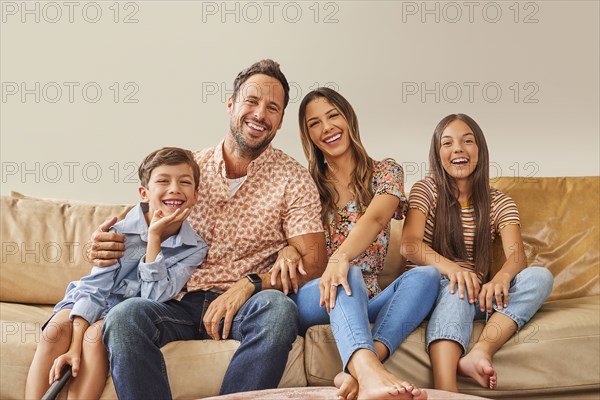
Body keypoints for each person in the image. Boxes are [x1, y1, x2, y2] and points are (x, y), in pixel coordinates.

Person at [88, 59, 328, 398]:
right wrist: (96, 246)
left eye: (272, 108)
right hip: (175, 300)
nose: (260, 114)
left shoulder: (293, 178)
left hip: (246, 306)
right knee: (125, 315)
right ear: (231, 104)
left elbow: (314, 261)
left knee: (279, 311)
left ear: (280, 120)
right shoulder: (186, 168)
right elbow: (134, 230)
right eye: (251, 101)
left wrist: (250, 284)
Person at [273, 88, 439, 400]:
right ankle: (370, 372)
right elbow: (291, 237)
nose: (327, 128)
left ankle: (361, 368)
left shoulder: (387, 172)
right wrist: (290, 248)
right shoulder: (304, 184)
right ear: (308, 135)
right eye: (314, 123)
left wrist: (340, 256)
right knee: (344, 273)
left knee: (428, 276)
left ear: (349, 118)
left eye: (333, 115)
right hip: (318, 295)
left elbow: (376, 219)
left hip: (368, 296)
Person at [25, 147, 208, 399]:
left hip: (122, 313)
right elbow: (94, 289)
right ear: (144, 193)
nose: (175, 188)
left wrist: (154, 238)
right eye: (163, 181)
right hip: (89, 301)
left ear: (196, 194)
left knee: (95, 339)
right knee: (54, 332)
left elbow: (152, 299)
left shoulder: (194, 248)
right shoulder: (117, 232)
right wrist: (73, 348)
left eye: (184, 182)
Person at [400, 113, 554, 392]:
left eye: (467, 141)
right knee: (458, 287)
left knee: (540, 277)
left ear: (480, 151)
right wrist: (455, 270)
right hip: (432, 289)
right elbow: (409, 245)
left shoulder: (499, 201)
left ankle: (480, 352)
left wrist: (499, 280)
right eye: (447, 143)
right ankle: (446, 392)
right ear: (437, 154)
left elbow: (518, 257)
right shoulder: (426, 189)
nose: (458, 148)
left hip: (475, 293)